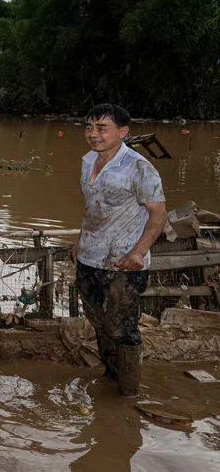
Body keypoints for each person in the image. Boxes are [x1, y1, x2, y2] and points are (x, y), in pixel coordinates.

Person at [71, 103, 165, 397]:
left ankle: (129, 393)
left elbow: (158, 215)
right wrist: (80, 240)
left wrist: (139, 252)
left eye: (101, 128)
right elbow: (92, 207)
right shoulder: (87, 162)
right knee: (98, 322)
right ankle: (110, 379)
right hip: (89, 257)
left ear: (123, 132)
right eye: (89, 127)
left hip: (124, 263)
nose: (93, 134)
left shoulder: (139, 168)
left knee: (123, 329)